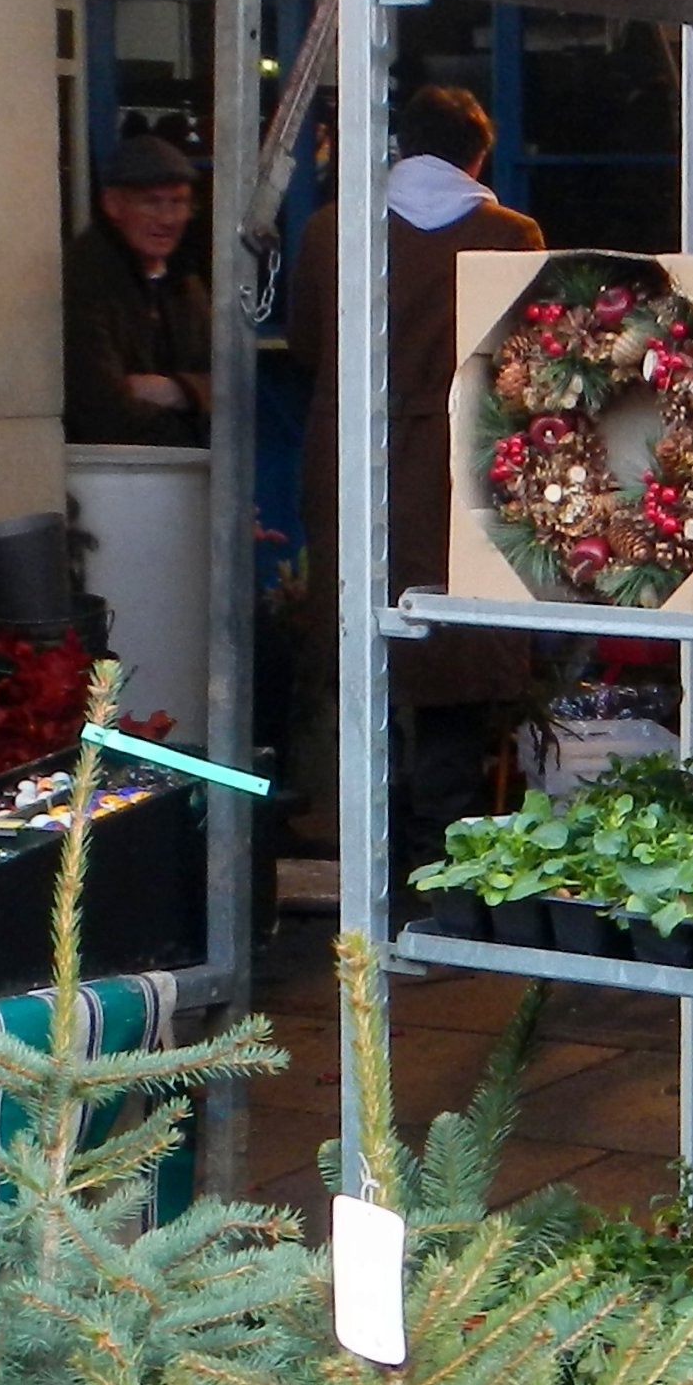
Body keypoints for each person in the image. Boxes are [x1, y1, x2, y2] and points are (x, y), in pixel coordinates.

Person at [283, 86, 549, 869]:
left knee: (358, 633)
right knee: (453, 646)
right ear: (479, 156)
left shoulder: (333, 228)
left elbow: (305, 344)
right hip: (457, 459)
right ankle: (443, 847)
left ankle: (363, 833)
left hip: (349, 450)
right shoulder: (509, 235)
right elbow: (530, 356)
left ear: (400, 148)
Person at [64, 133, 214, 446]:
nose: (168, 218)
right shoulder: (84, 279)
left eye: (179, 202)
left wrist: (177, 389)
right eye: (152, 202)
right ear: (112, 204)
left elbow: (226, 389)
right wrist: (194, 422)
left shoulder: (186, 283)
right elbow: (101, 410)